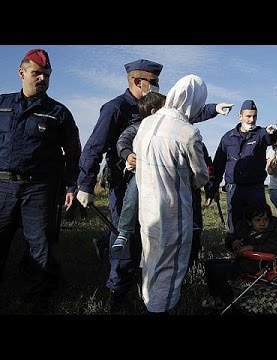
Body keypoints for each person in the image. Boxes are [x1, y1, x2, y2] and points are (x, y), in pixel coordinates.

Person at [76, 59, 232, 312]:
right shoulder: (115, 109)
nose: (159, 87)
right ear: (138, 82)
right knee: (127, 240)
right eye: (154, 82)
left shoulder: (156, 112)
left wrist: (213, 108)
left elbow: (184, 112)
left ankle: (146, 290)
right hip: (126, 185)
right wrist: (84, 183)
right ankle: (119, 294)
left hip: (154, 185)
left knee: (148, 240)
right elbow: (95, 145)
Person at [0, 49, 81, 313]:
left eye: (46, 75)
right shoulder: (2, 105)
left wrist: (71, 185)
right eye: (37, 73)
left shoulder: (58, 113)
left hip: (39, 189)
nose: (42, 79)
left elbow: (73, 152)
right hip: (2, 187)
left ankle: (37, 301)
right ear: (22, 73)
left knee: (41, 246)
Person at [133, 74, 211, 315]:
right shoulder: (187, 132)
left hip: (146, 209)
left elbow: (136, 152)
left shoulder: (146, 123)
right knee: (171, 265)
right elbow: (200, 175)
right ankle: (159, 309)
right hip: (172, 211)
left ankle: (149, 301)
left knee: (150, 258)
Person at [208, 100, 277, 237]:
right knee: (235, 223)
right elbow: (218, 165)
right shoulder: (227, 138)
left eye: (254, 116)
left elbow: (271, 138)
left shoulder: (261, 134)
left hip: (255, 189)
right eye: (248, 116)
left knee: (259, 224)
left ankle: (257, 253)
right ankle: (236, 252)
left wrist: (274, 130)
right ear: (240, 116)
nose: (251, 120)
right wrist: (213, 188)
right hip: (234, 189)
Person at [203, 201, 277, 309]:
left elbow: (273, 249)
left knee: (218, 271)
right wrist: (233, 241)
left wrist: (252, 248)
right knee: (209, 264)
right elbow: (230, 237)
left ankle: (228, 300)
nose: (262, 223)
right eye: (258, 220)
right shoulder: (244, 228)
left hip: (256, 265)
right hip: (241, 261)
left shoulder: (273, 231)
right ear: (249, 222)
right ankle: (215, 296)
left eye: (265, 219)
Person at [112, 92, 166, 249]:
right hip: (142, 171)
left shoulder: (168, 129)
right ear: (154, 111)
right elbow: (123, 140)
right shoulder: (138, 127)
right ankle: (124, 231)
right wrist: (127, 154)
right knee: (132, 196)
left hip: (163, 172)